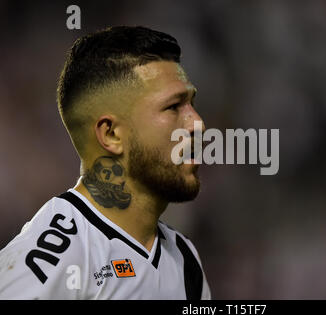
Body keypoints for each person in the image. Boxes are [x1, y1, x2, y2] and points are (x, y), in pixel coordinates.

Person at [0, 26, 211, 299]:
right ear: (111, 134)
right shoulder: (53, 259)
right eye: (173, 107)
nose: (198, 123)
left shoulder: (185, 261)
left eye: (192, 103)